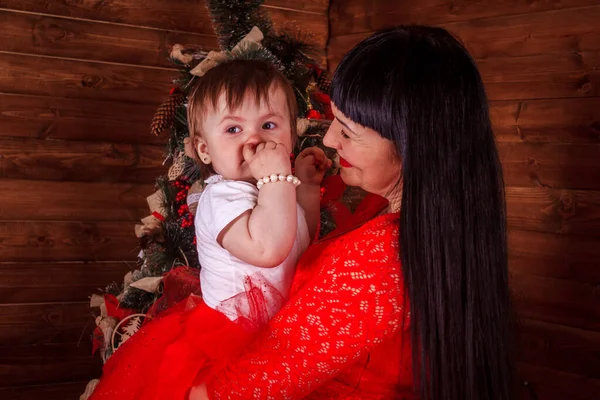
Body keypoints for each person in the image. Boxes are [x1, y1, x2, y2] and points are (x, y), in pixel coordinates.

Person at [190, 25, 514, 400]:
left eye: (347, 130)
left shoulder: (380, 254)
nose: (328, 140)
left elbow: (254, 385)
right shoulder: (412, 218)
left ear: (412, 144)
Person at [89, 59, 330, 400]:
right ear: (205, 149)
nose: (254, 140)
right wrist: (277, 178)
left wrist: (304, 186)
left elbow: (300, 234)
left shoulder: (274, 187)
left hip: (280, 333)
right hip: (231, 337)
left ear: (291, 135)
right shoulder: (222, 198)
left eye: (270, 125)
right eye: (233, 130)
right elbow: (268, 249)